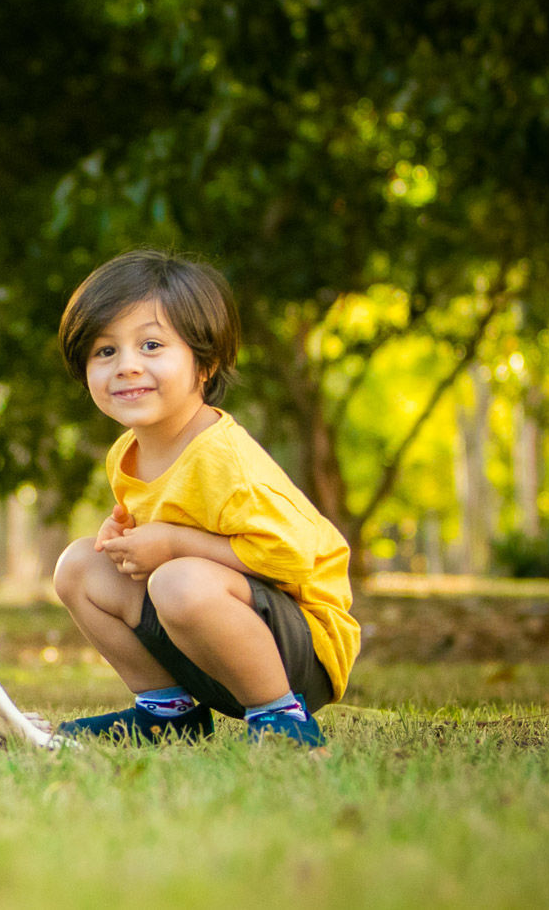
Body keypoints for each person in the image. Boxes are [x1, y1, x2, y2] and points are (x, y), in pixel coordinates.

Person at [50, 250, 359, 746]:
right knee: (79, 565)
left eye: (151, 345)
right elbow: (159, 532)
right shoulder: (126, 451)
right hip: (203, 635)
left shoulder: (223, 459)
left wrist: (172, 545)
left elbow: (291, 556)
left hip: (300, 652)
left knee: (179, 579)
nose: (127, 366)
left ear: (204, 364)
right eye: (105, 352)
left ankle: (282, 720)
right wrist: (126, 540)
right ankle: (168, 713)